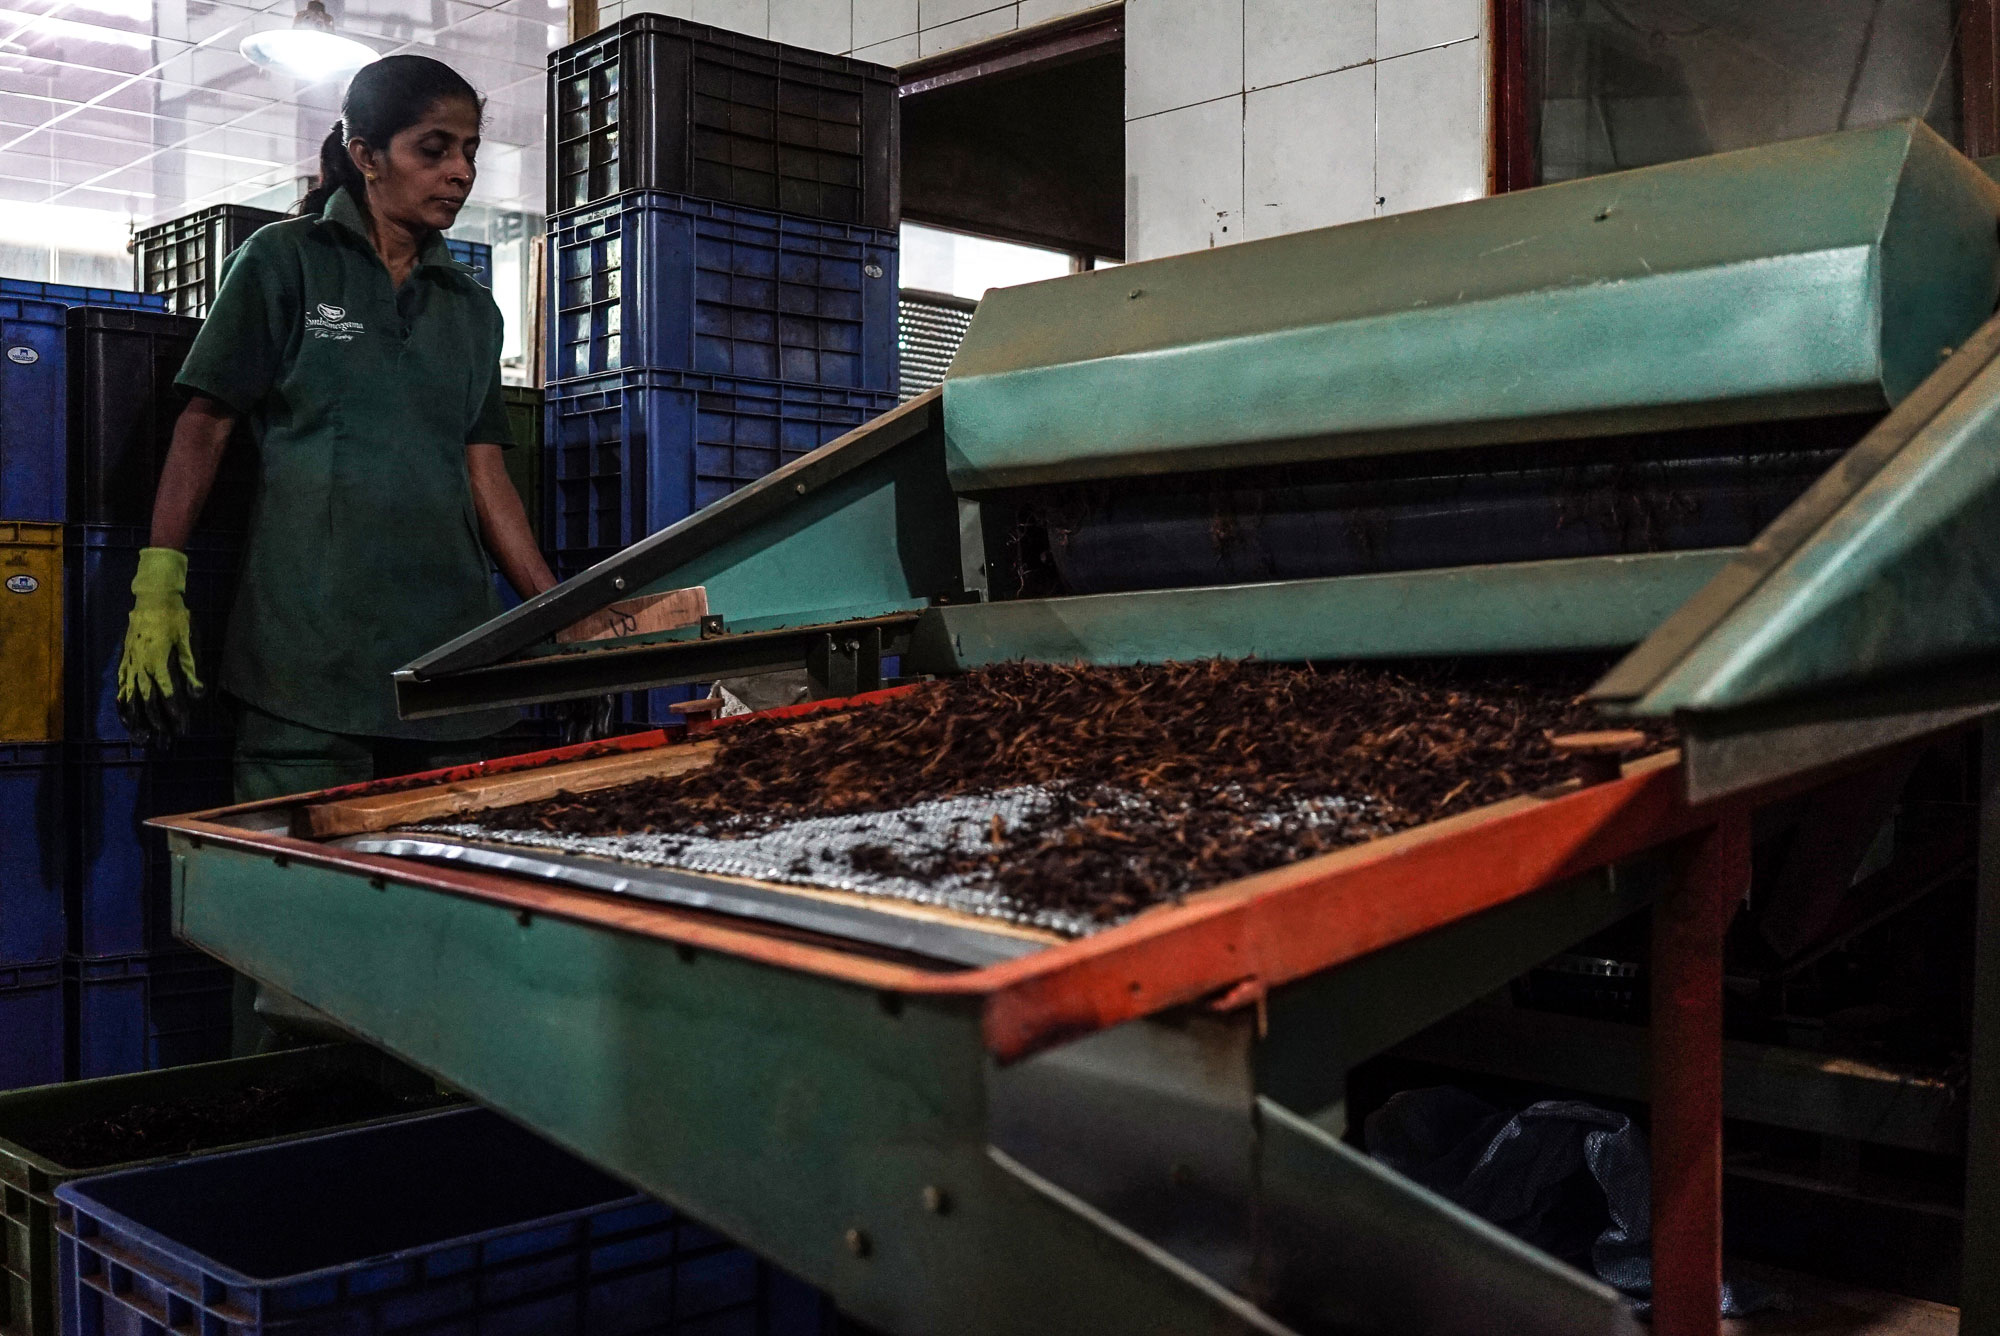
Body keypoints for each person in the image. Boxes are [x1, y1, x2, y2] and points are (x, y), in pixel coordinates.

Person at [114, 54, 566, 1046]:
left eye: (469, 151)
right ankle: (282, 1121)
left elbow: (484, 470)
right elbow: (204, 423)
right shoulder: (285, 263)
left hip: (446, 670)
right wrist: (160, 575)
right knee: (291, 952)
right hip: (304, 662)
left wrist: (552, 610)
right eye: (433, 149)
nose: (459, 172)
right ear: (366, 154)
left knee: (439, 947)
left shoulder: (469, 308)